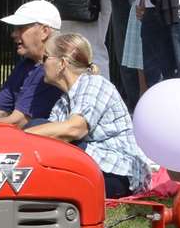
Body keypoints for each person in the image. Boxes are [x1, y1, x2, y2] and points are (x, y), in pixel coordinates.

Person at [26, 34, 148, 197]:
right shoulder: (62, 103)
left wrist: (19, 137)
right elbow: (51, 142)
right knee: (39, 126)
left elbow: (75, 129)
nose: (42, 64)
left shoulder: (94, 83)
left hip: (118, 172)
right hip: (91, 166)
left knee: (36, 127)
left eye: (46, 57)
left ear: (62, 63)